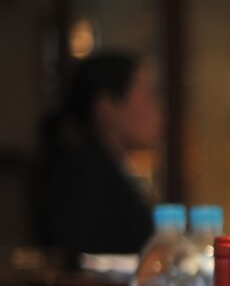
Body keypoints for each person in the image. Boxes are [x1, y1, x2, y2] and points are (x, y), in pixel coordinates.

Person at [39, 52, 162, 255]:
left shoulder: (107, 168)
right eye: (149, 95)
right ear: (107, 109)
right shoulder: (83, 177)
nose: (159, 109)